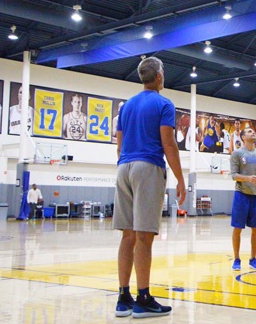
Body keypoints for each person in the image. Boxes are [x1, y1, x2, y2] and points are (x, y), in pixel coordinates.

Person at [113, 56, 186, 319]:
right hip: (147, 167)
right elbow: (168, 144)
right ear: (159, 77)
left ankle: (124, 297)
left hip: (124, 167)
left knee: (127, 235)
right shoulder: (164, 104)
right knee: (144, 236)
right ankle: (143, 298)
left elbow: (119, 144)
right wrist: (180, 178)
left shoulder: (127, 106)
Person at [230, 127, 256, 271]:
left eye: (254, 131)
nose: (253, 133)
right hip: (241, 194)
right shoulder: (237, 153)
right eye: (249, 132)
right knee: (237, 228)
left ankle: (253, 259)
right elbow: (234, 175)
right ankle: (236, 259)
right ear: (243, 137)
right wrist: (247, 178)